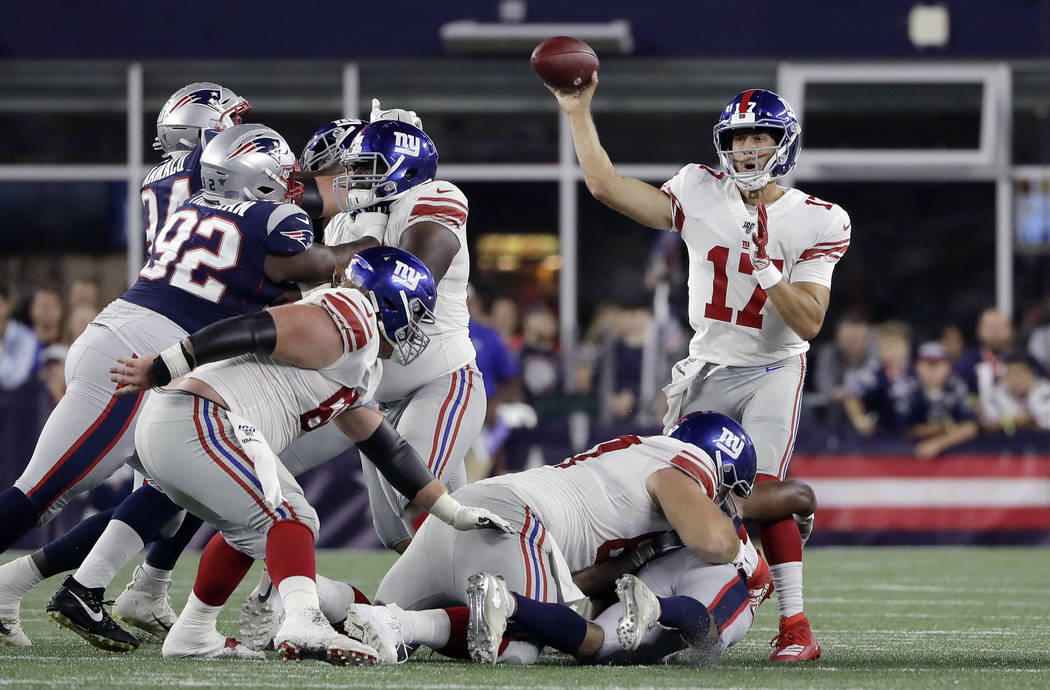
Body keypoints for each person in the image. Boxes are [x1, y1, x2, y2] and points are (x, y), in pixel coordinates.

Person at [0, 122, 378, 648]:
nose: (291, 181)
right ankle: (53, 588)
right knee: (42, 494)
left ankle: (55, 588)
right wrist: (370, 243)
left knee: (169, 494)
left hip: (145, 344)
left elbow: (253, 282)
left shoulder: (193, 203)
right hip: (139, 356)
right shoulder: (275, 218)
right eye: (281, 171)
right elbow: (316, 265)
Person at [91, 246, 510, 665]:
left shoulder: (360, 359)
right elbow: (256, 327)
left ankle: (194, 632)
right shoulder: (352, 314)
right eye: (415, 312)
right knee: (292, 517)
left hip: (186, 425)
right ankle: (303, 619)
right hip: (200, 419)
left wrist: (453, 511)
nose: (416, 327)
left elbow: (387, 446)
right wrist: (165, 365)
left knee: (253, 530)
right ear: (389, 300)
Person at [547, 79, 843, 661]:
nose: (749, 150)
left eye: (761, 137)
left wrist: (767, 272)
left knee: (761, 490)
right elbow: (607, 187)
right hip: (705, 367)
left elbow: (808, 323)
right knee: (675, 496)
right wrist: (578, 111)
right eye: (738, 139)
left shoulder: (819, 219)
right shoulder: (698, 189)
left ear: (785, 144)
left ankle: (795, 624)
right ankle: (628, 596)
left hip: (770, 369)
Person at [236, 117, 489, 648]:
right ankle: (470, 612)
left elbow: (411, 274)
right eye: (351, 169)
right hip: (369, 396)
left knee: (420, 502)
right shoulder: (345, 223)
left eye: (367, 168)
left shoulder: (435, 198)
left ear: (405, 167)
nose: (353, 179)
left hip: (440, 380)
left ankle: (491, 610)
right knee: (403, 535)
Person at [343, 411, 769, 666]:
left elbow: (573, 581)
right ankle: (415, 622)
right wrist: (740, 534)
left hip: (470, 508)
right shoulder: (683, 467)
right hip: (516, 525)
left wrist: (633, 563)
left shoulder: (639, 450)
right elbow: (717, 542)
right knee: (519, 648)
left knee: (358, 627)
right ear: (722, 472)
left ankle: (303, 599)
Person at [903, 341, 978, 458]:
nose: (932, 370)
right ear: (917, 365)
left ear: (948, 366)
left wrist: (938, 443)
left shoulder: (957, 386)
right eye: (927, 363)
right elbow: (903, 428)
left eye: (938, 363)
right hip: (902, 454)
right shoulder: (906, 388)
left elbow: (970, 426)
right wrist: (944, 428)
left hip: (952, 456)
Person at [842, 320, 913, 436]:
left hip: (909, 436)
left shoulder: (914, 373)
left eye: (894, 344)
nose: (890, 350)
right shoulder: (871, 372)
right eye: (886, 345)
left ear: (906, 346)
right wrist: (860, 420)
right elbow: (850, 395)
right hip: (878, 438)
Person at [980, 349, 1050, 433]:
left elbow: (1046, 425)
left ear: (1031, 374)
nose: (1016, 380)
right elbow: (988, 424)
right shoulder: (999, 392)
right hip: (1010, 443)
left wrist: (1028, 421)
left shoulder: (1045, 390)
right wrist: (1012, 422)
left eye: (1019, 374)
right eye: (1010, 374)